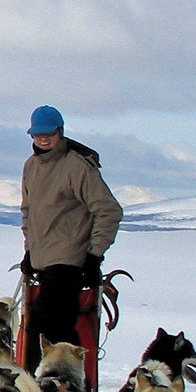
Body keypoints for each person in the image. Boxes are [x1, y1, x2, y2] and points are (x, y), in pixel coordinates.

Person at [20, 106, 122, 365]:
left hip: (69, 263)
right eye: (37, 134)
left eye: (49, 133)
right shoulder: (31, 167)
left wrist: (94, 255)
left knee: (39, 330)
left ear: (60, 132)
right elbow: (28, 212)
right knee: (59, 332)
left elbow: (109, 211)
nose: (43, 139)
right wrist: (29, 251)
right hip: (44, 262)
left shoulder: (77, 167)